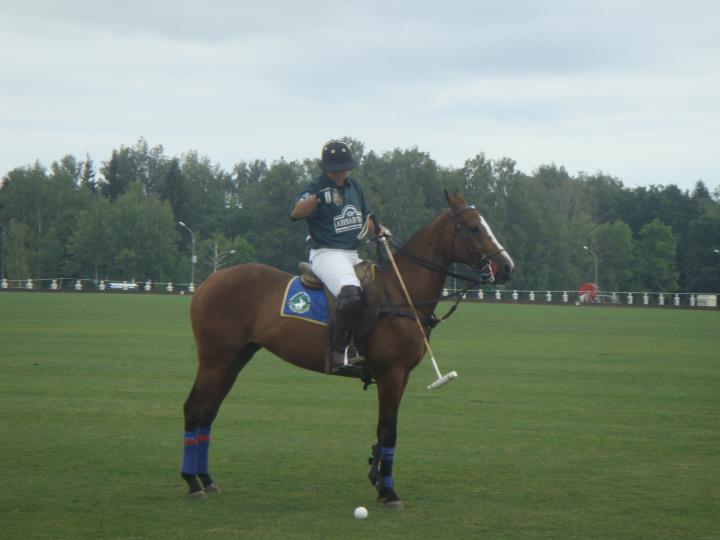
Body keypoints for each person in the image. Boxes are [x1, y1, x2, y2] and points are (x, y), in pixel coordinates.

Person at [290, 139, 389, 372]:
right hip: (326, 253)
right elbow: (296, 212)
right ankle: (337, 353)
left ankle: (364, 347)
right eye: (336, 170)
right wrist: (317, 198)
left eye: (345, 168)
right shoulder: (315, 187)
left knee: (378, 290)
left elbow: (365, 220)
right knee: (351, 293)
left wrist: (380, 230)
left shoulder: (355, 187)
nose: (341, 173)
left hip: (352, 253)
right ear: (326, 169)